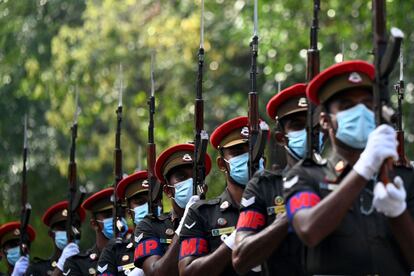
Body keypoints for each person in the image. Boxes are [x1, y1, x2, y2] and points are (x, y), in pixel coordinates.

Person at [284, 60, 414, 274]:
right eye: (347, 106)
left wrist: (398, 213)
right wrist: (363, 169)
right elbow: (308, 230)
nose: (360, 112)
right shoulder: (306, 175)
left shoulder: (403, 177)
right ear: (325, 121)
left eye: (367, 104)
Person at [233, 84, 311, 275]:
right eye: (297, 126)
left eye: (312, 125)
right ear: (281, 137)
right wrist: (293, 212)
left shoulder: (345, 177)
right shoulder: (263, 187)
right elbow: (241, 258)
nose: (307, 132)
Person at [178, 116, 262, 276]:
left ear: (262, 157)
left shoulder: (281, 200)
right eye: (237, 152)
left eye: (252, 150)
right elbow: (187, 271)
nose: (247, 158)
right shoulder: (201, 214)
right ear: (222, 164)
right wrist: (237, 236)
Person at [133, 143, 212, 276]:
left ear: (204, 187)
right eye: (181, 177)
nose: (190, 182)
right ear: (168, 190)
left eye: (196, 177)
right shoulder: (150, 226)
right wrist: (185, 223)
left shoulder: (215, 217)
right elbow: (155, 273)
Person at [53, 187, 125, 275]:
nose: (115, 219)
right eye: (108, 215)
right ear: (94, 224)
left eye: (120, 214)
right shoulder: (78, 264)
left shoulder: (134, 252)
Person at [97, 170, 150, 275]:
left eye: (152, 201)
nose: (147, 207)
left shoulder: (175, 239)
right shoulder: (114, 250)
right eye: (140, 202)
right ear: (129, 212)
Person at [25, 201, 85, 276]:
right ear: (51, 234)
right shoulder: (37, 270)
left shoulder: (89, 265)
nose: (70, 233)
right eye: (63, 227)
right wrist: (59, 268)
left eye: (74, 227)